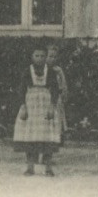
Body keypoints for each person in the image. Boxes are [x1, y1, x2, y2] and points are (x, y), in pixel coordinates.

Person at [13, 46, 63, 176]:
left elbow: (56, 90)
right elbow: (21, 90)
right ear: (32, 57)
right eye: (37, 56)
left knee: (47, 135)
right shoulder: (26, 71)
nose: (40, 59)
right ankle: (30, 167)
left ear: (46, 57)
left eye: (42, 56)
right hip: (31, 105)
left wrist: (52, 105)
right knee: (30, 134)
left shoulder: (51, 72)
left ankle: (48, 167)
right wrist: (23, 106)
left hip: (45, 105)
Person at [45, 44, 70, 146]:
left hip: (57, 97)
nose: (52, 59)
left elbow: (63, 84)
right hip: (46, 96)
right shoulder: (43, 69)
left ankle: (58, 136)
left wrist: (64, 94)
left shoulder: (58, 70)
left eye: (55, 57)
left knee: (57, 116)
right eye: (50, 56)